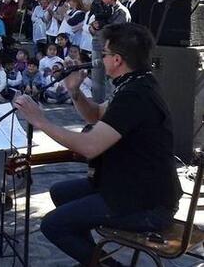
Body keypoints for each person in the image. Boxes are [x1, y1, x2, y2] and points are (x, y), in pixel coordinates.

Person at [13, 23, 182, 266]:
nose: (99, 59)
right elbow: (95, 116)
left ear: (117, 60)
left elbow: (89, 146)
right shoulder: (134, 83)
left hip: (147, 202)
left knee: (53, 225)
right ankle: (93, 259)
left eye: (103, 54)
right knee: (60, 192)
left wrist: (40, 120)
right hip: (130, 184)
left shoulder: (135, 95)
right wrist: (75, 92)